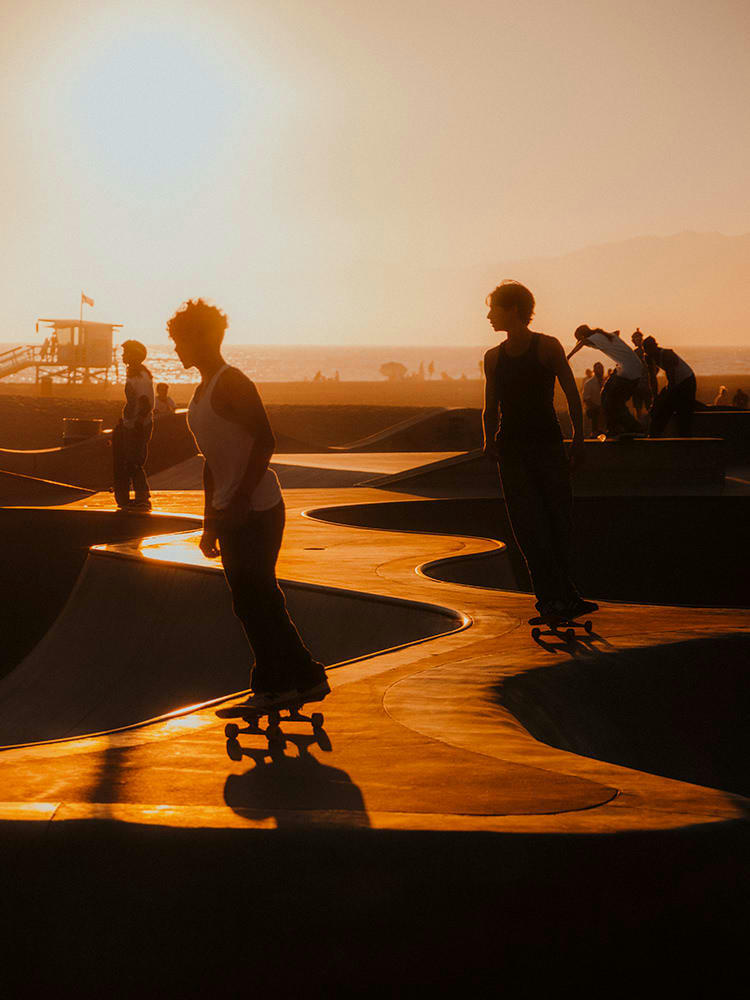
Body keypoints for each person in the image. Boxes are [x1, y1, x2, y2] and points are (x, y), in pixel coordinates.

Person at [167, 297, 329, 709]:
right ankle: (301, 677)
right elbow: (211, 462)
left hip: (259, 508)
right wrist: (210, 520)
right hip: (232, 511)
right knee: (251, 599)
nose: (175, 349)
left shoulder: (232, 382)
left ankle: (278, 683)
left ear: (202, 339)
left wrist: (238, 500)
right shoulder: (202, 391)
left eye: (180, 340)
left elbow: (266, 440)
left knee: (256, 596)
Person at [482, 280, 597, 625]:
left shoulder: (547, 348)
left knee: (558, 521)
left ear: (513, 309)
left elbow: (572, 395)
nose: (489, 316)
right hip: (512, 450)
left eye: (494, 308)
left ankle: (567, 595)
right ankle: (549, 600)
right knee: (527, 528)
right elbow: (490, 407)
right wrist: (489, 441)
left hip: (547, 446)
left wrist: (578, 438)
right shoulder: (493, 357)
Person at [567, 326, 644, 436]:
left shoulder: (596, 337)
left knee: (615, 401)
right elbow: (616, 332)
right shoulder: (603, 335)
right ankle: (613, 427)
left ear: (584, 335)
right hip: (625, 368)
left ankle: (634, 427)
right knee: (604, 394)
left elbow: (582, 342)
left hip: (629, 370)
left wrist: (567, 357)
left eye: (578, 338)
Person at [112, 340, 154, 511]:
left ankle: (142, 497)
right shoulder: (134, 373)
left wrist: (137, 422)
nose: (123, 356)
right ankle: (136, 497)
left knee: (134, 461)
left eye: (126, 352)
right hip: (132, 423)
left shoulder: (140, 376)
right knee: (130, 460)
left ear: (134, 355)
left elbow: (145, 402)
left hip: (138, 425)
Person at [642, 336, 696, 437]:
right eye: (646, 351)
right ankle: (654, 434)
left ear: (655, 347)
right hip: (675, 382)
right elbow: (652, 379)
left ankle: (684, 436)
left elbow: (672, 381)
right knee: (660, 405)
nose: (648, 353)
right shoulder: (648, 357)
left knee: (682, 409)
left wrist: (665, 398)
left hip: (687, 381)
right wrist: (655, 398)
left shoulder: (667, 354)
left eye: (649, 350)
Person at [630, 329, 656, 418]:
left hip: (643, 385)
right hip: (640, 386)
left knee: (644, 408)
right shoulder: (636, 353)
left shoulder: (639, 353)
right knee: (641, 408)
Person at [582, 361, 604, 437]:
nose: (601, 371)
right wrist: (598, 407)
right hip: (592, 409)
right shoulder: (589, 383)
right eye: (599, 369)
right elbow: (586, 399)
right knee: (596, 412)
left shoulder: (606, 382)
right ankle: (594, 433)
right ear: (594, 370)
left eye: (602, 369)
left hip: (603, 408)